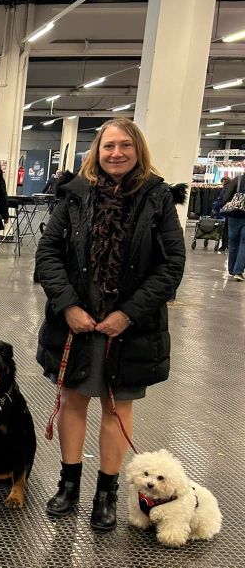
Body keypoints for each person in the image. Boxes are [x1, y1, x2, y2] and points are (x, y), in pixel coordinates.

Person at [34, 117, 186, 532]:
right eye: (108, 146)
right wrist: (67, 306)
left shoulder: (157, 199)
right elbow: (48, 253)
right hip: (76, 324)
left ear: (138, 151)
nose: (116, 153)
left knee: (117, 409)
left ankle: (107, 493)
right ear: (96, 152)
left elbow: (172, 264)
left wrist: (129, 313)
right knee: (73, 402)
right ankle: (69, 485)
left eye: (125, 146)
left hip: (130, 328)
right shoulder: (74, 196)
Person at [218, 167, 245, 280]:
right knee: (244, 243)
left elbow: (225, 199)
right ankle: (238, 272)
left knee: (233, 242)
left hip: (234, 216)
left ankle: (231, 269)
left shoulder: (237, 180)